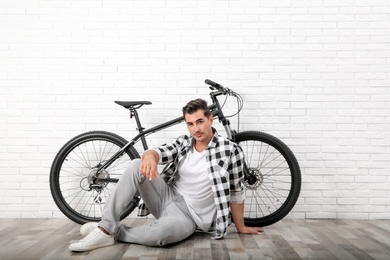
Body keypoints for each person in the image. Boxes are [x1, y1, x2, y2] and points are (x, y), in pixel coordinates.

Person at [69, 98, 263, 252]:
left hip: (189, 218)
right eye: (190, 124)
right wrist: (150, 157)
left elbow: (236, 191)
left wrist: (241, 227)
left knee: (162, 236)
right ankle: (105, 227)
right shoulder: (185, 142)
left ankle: (111, 232)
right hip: (166, 198)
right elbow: (158, 151)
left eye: (200, 122)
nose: (196, 129)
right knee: (137, 163)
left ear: (211, 119)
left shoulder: (231, 150)